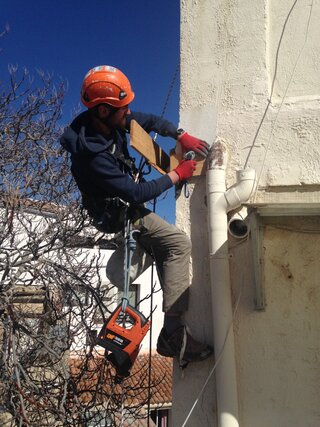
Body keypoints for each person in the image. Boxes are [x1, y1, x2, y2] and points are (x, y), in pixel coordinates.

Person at [60, 65, 213, 364]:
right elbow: (135, 193)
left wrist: (181, 136)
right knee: (177, 244)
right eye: (122, 107)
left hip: (127, 203)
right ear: (103, 111)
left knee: (162, 246)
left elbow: (149, 121)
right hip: (118, 214)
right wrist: (178, 175)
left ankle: (170, 326)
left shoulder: (111, 121)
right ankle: (173, 335)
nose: (128, 112)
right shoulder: (90, 157)